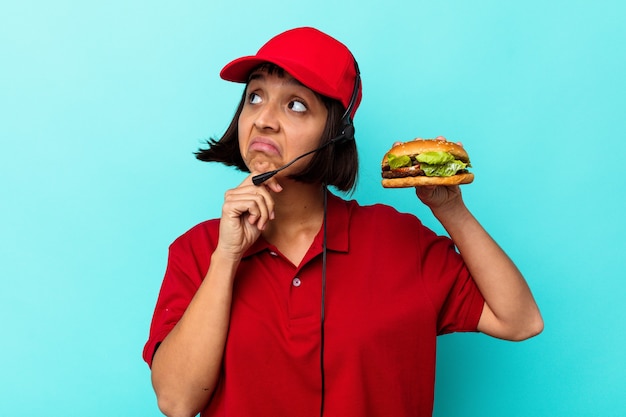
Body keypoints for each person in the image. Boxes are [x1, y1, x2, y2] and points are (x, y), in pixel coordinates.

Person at [142, 27, 543, 417]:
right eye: (255, 96)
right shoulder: (197, 251)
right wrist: (227, 257)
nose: (263, 119)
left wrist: (451, 209)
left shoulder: (399, 240)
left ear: (336, 133)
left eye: (296, 104)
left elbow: (520, 320)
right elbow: (177, 404)